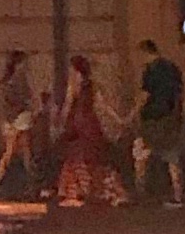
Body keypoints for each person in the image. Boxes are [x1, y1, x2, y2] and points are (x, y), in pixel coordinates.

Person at [49, 53, 127, 211]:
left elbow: (68, 105)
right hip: (90, 123)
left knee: (75, 156)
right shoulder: (92, 85)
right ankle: (101, 189)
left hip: (78, 123)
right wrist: (118, 119)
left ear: (76, 70)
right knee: (94, 157)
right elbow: (103, 105)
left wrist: (59, 122)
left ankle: (76, 191)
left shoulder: (74, 85)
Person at [134, 38, 185, 208]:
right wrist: (179, 114)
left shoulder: (150, 71)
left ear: (145, 52)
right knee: (172, 157)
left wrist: (131, 115)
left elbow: (145, 96)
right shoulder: (172, 68)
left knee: (141, 154)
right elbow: (180, 94)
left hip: (152, 119)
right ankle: (177, 195)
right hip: (170, 118)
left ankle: (140, 192)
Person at [0, 50, 44, 198]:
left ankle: (2, 181)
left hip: (14, 119)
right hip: (19, 118)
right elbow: (20, 100)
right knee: (18, 151)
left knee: (21, 151)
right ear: (18, 64)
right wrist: (30, 106)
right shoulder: (17, 81)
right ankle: (3, 181)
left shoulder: (10, 81)